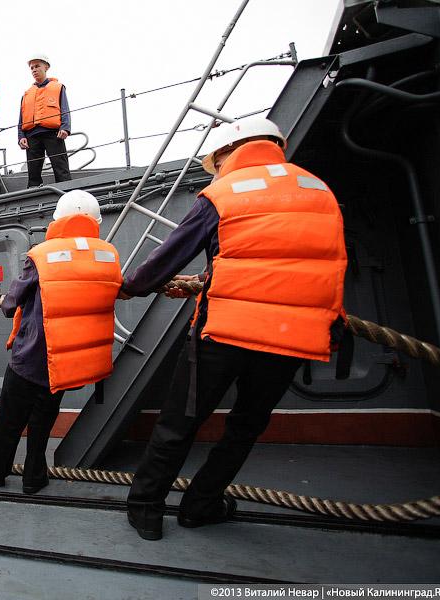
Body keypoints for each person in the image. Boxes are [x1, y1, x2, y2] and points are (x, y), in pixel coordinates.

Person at [119, 117, 347, 541]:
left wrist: (130, 287)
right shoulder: (320, 190)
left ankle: (146, 509)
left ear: (227, 152)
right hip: (293, 335)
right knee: (246, 426)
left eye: (217, 163)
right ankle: (201, 505)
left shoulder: (223, 194)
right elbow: (325, 260)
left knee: (179, 422)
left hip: (224, 333)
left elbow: (169, 257)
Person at [0, 190, 121, 494]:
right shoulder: (108, 255)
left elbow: (11, 303)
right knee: (43, 421)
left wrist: (7, 301)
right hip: (66, 361)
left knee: (9, 419)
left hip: (32, 355)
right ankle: (34, 478)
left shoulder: (41, 255)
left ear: (58, 220)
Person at [18, 53, 72, 188]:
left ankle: (66, 192)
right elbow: (21, 118)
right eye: (32, 68)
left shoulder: (58, 87)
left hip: (53, 134)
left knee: (60, 167)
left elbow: (64, 108)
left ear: (46, 67)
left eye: (37, 66)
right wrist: (21, 136)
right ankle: (33, 194)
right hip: (32, 136)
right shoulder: (26, 94)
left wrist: (65, 127)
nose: (34, 70)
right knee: (33, 172)